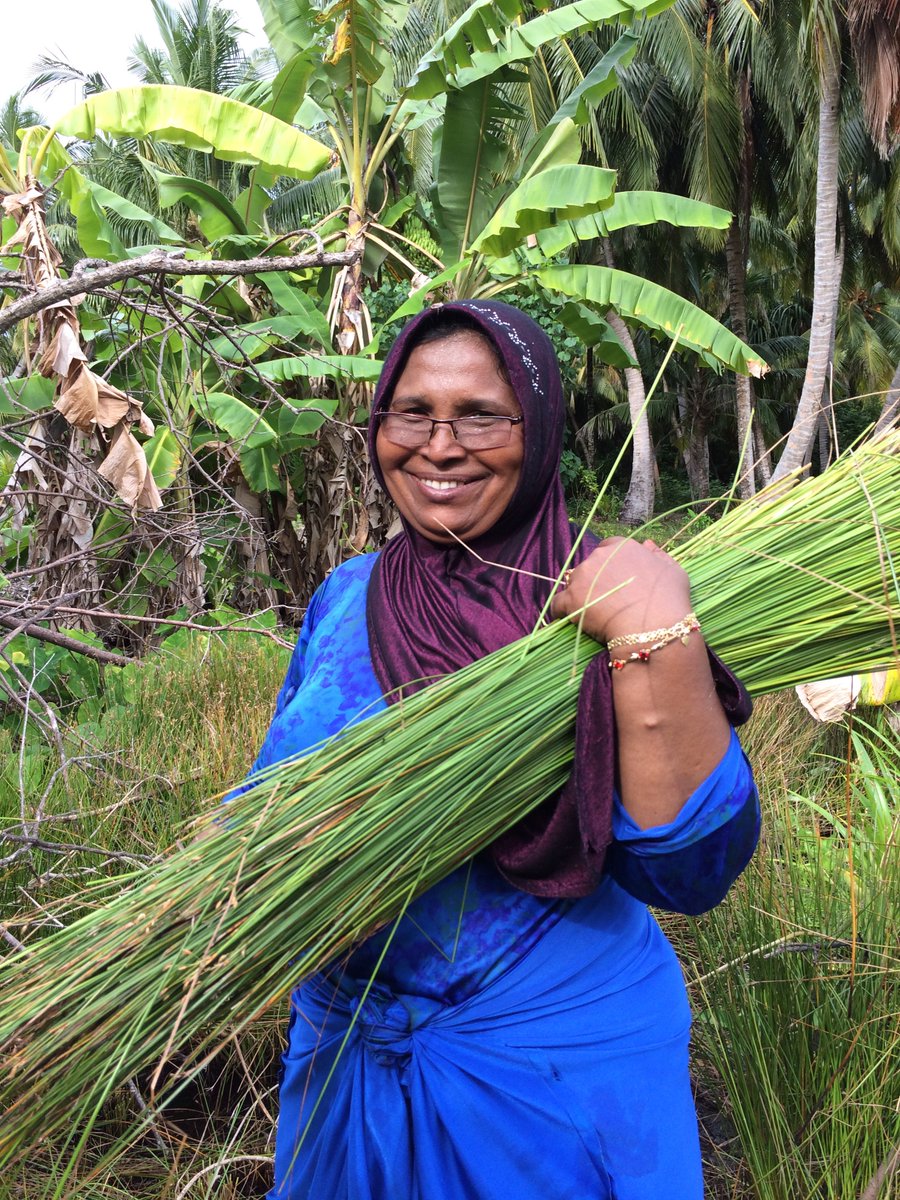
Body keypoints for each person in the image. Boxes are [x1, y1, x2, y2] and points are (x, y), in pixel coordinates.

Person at [245, 300, 759, 1200]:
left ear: (540, 421)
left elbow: (694, 868)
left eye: (482, 414)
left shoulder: (604, 592)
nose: (440, 445)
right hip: (344, 1063)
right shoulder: (346, 596)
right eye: (412, 411)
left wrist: (651, 632)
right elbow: (267, 809)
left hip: (546, 1079)